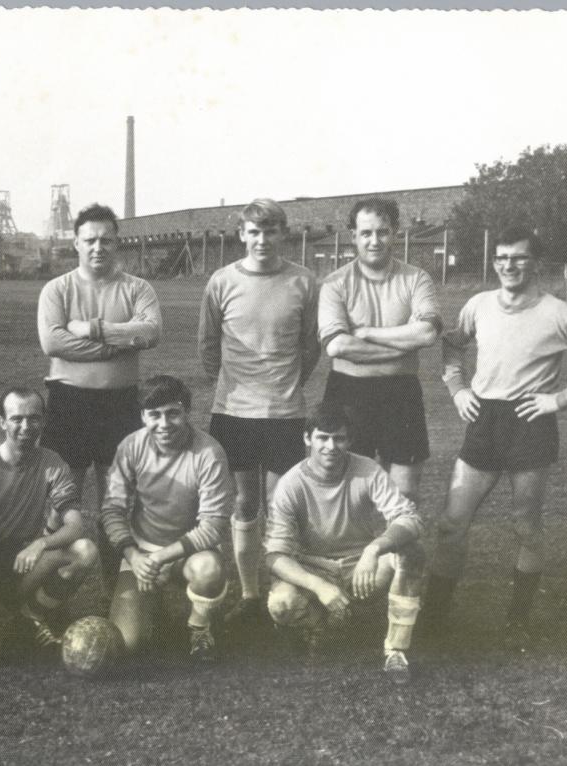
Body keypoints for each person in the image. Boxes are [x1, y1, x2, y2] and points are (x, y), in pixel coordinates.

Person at [423, 227, 567, 650]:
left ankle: (517, 621)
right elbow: (453, 345)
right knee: (451, 524)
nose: (508, 265)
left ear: (535, 263)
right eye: (501, 257)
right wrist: (457, 388)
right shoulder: (478, 304)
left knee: (526, 527)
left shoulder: (557, 312)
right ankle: (434, 617)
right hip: (484, 419)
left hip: (529, 422)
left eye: (517, 258)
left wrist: (562, 398)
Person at [197, 198, 320, 630]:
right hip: (234, 412)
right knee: (245, 503)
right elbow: (209, 346)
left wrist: (285, 386)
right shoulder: (221, 280)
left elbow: (311, 346)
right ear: (242, 235)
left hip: (285, 412)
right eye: (254, 231)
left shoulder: (304, 281)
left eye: (271, 231)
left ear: (283, 234)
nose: (262, 240)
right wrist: (233, 386)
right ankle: (250, 595)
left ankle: (282, 592)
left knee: (283, 506)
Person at [37, 203, 161, 584]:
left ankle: (116, 587)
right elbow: (53, 342)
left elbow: (151, 332)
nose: (98, 247)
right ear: (75, 242)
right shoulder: (57, 289)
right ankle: (50, 593)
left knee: (117, 500)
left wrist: (90, 329)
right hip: (68, 402)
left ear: (117, 244)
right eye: (89, 239)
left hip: (119, 403)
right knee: (62, 499)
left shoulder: (137, 288)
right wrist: (118, 342)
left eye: (106, 240)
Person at [264, 401, 425, 684]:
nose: (330, 446)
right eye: (322, 438)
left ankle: (396, 649)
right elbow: (275, 556)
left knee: (411, 552)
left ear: (349, 440)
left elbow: (409, 518)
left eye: (339, 438)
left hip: (359, 567)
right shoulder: (290, 484)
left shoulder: (368, 470)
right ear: (307, 439)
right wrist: (320, 586)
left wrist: (374, 549)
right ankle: (318, 622)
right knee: (282, 605)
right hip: (313, 569)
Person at [0, 388, 98, 667]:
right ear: (1, 421)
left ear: (44, 421)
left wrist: (40, 543)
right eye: (17, 418)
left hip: (21, 559)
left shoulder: (52, 462)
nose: (26, 427)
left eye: (33, 418)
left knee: (84, 552)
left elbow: (75, 526)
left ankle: (30, 613)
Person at [318, 197, 441, 506]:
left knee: (404, 494)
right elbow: (337, 345)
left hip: (401, 394)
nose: (374, 241)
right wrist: (402, 345)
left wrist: (367, 333)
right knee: (344, 493)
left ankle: (392, 555)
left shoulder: (416, 278)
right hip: (348, 394)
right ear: (353, 236)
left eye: (382, 232)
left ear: (395, 232)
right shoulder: (335, 283)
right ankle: (353, 555)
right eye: (366, 233)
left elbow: (426, 333)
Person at [101, 375, 233, 661]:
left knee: (209, 569)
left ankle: (199, 626)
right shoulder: (130, 446)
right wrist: (134, 556)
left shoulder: (210, 452)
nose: (164, 424)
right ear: (143, 417)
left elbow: (214, 526)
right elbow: (113, 510)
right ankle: (153, 604)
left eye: (173, 413)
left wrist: (160, 559)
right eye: (154, 415)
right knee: (127, 643)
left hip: (190, 553)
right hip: (143, 552)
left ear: (186, 412)